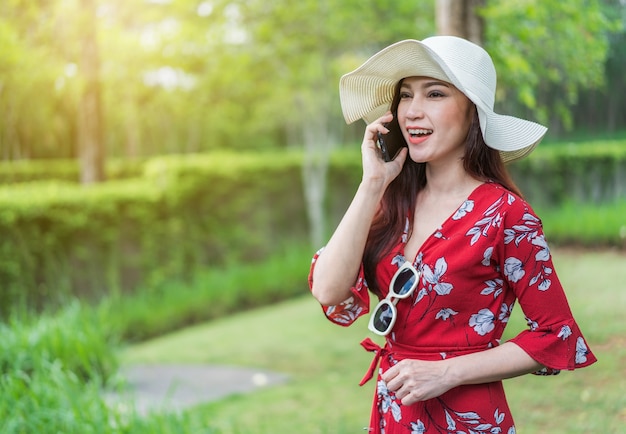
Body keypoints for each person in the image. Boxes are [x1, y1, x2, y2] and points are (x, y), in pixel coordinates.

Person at [308, 36, 597, 433]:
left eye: (435, 94)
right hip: (395, 413)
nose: (412, 111)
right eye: (406, 95)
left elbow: (557, 335)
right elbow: (328, 291)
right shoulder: (390, 204)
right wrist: (372, 183)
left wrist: (445, 373)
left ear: (473, 114)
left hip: (468, 418)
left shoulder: (506, 215)